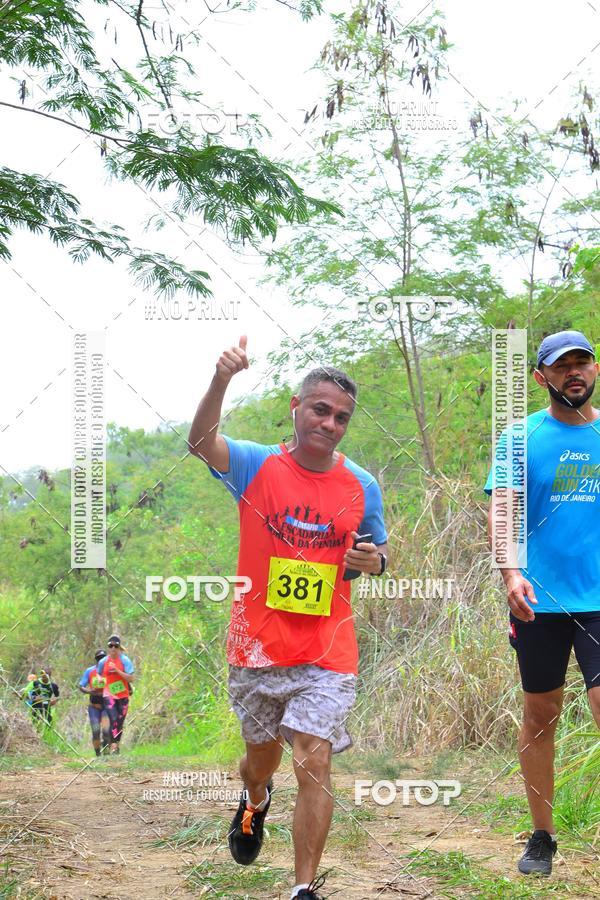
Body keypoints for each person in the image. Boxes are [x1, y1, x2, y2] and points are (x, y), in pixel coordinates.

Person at [188, 336, 388, 900]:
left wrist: (373, 561)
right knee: (261, 761)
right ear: (295, 409)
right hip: (257, 647)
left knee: (313, 760)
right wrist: (222, 378)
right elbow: (201, 442)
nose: (330, 423)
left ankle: (303, 889)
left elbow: (377, 554)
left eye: (342, 417)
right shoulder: (256, 465)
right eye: (321, 409)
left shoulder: (361, 485)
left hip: (327, 650)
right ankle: (254, 801)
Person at [485, 330, 600, 876]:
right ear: (542, 377)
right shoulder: (518, 438)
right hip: (539, 599)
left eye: (583, 362)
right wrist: (510, 573)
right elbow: (503, 511)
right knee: (540, 714)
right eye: (562, 366)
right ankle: (542, 835)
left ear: (595, 371)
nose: (574, 372)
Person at [95, 636, 135, 754]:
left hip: (123, 695)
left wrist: (117, 670)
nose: (113, 648)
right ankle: (112, 745)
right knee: (113, 718)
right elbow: (98, 674)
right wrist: (100, 680)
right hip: (109, 695)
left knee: (120, 721)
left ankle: (115, 744)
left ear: (119, 647)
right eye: (110, 646)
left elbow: (131, 678)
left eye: (115, 646)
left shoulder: (125, 660)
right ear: (108, 647)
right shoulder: (103, 661)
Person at [79, 650, 111, 756]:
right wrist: (90, 691)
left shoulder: (110, 671)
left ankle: (106, 754)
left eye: (103, 658)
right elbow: (81, 686)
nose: (100, 660)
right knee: (96, 731)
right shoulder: (90, 671)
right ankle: (98, 754)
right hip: (94, 707)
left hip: (107, 707)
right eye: (98, 658)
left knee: (106, 731)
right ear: (96, 660)